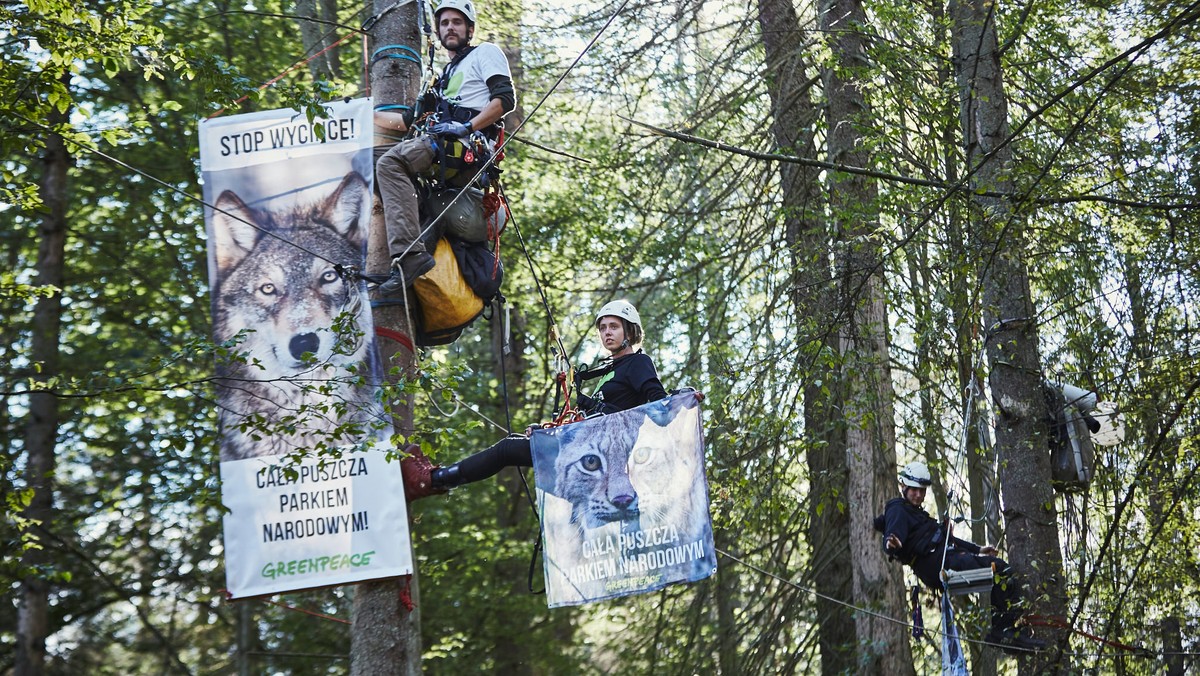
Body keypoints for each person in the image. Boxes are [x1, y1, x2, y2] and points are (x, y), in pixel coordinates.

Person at [401, 299, 668, 499]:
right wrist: (550, 431)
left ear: (629, 331)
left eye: (614, 327)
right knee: (515, 443)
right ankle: (438, 478)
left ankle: (433, 480)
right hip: (585, 446)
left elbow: (658, 404)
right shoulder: (609, 370)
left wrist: (682, 400)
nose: (607, 332)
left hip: (602, 455)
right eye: (602, 328)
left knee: (507, 449)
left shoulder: (638, 362)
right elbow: (598, 415)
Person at [373, 0, 516, 295]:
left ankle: (410, 257)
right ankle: (416, 240)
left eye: (457, 22)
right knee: (365, 161)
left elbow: (505, 100)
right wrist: (364, 117)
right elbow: (407, 120)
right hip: (437, 146)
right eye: (444, 23)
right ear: (438, 31)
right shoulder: (444, 77)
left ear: (470, 29)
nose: (450, 27)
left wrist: (467, 126)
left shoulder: (484, 54)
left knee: (390, 163)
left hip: (460, 149)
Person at [875, 461, 1047, 652]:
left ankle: (1006, 632)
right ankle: (1003, 631)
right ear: (903, 487)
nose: (919, 495)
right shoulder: (897, 509)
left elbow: (946, 539)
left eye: (922, 491)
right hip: (935, 564)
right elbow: (892, 537)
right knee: (996, 572)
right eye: (914, 490)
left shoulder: (917, 514)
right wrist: (893, 545)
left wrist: (978, 549)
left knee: (1001, 569)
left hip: (947, 557)